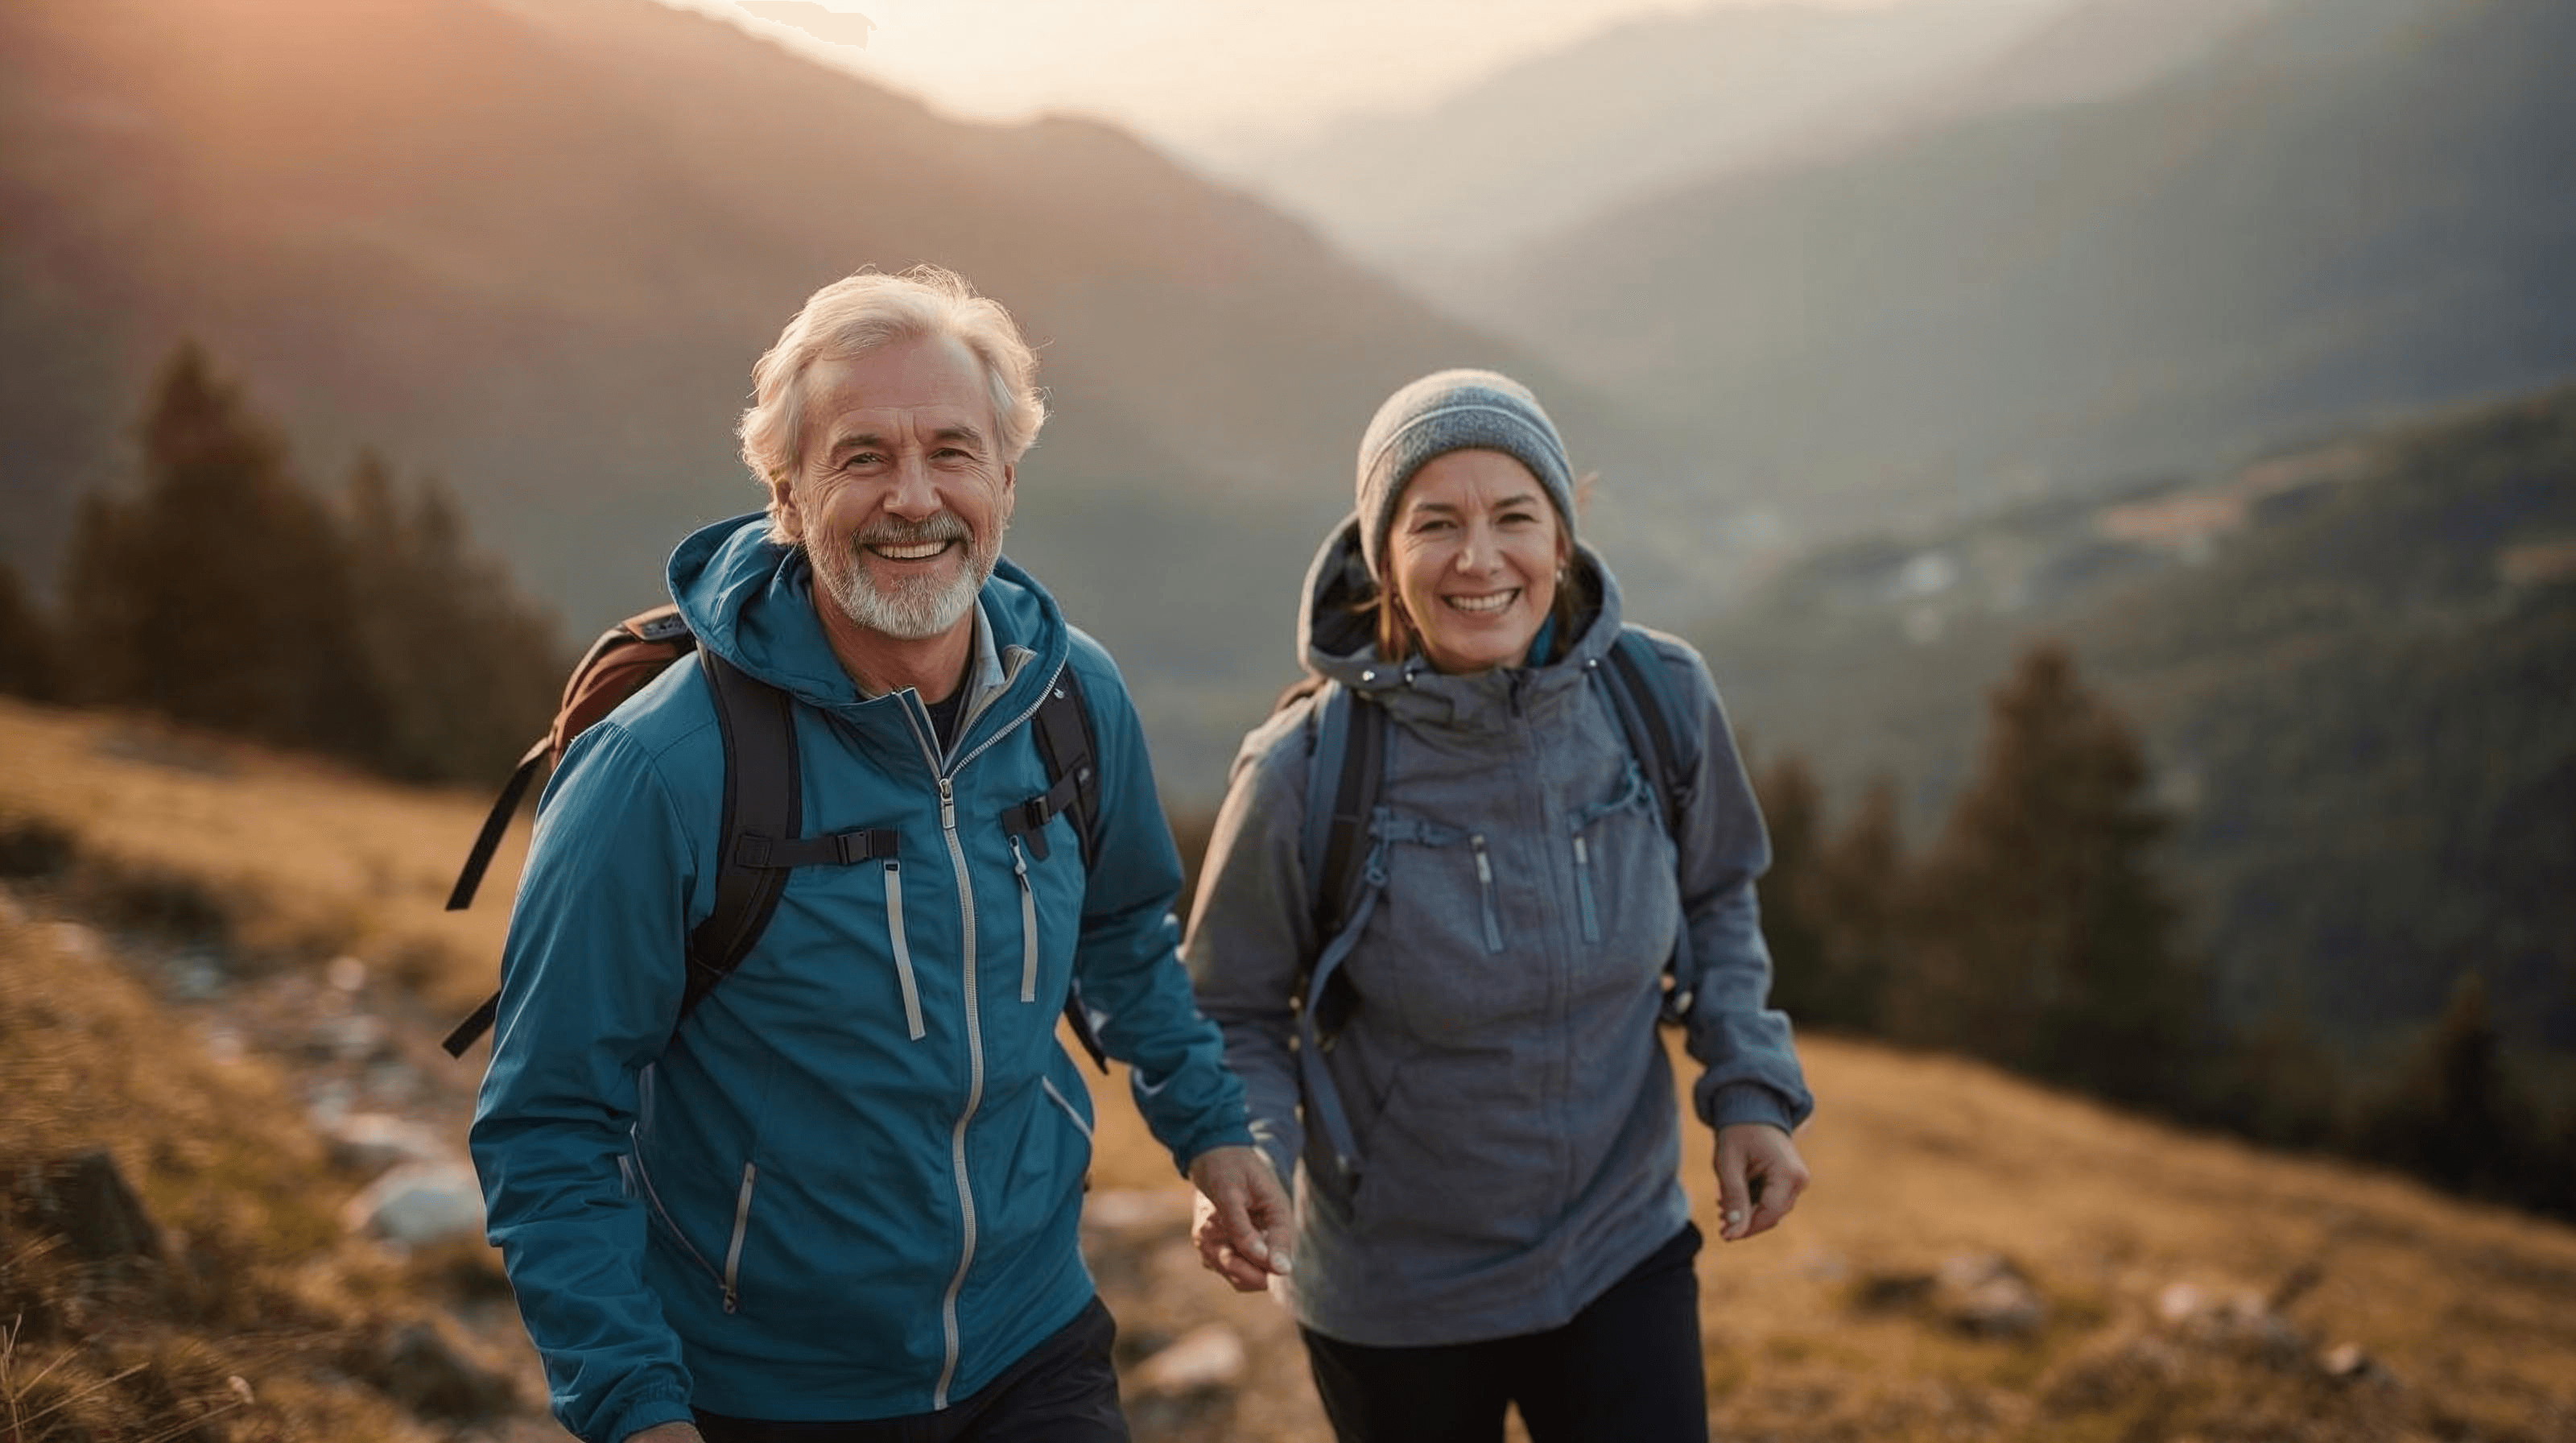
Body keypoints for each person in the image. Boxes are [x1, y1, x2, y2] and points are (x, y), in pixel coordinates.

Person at [469, 266, 1292, 1443]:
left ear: (1006, 477)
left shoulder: (1073, 700)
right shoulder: (660, 773)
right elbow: (547, 1123)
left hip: (1034, 1339)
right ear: (788, 495)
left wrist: (1210, 1128)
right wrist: (633, 1408)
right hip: (766, 1390)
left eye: (952, 451)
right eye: (862, 457)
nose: (915, 499)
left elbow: (1119, 936)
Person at [1182, 370, 1815, 1442]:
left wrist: (1751, 1088)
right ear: (1384, 559)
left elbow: (1714, 898)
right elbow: (1231, 1005)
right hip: (1398, 1295)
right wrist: (1247, 1150)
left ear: (1560, 541)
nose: (1480, 558)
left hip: (1623, 1249)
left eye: (1514, 516)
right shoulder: (1305, 770)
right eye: (1436, 523)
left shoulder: (1659, 701)